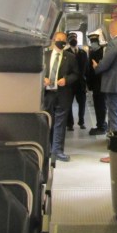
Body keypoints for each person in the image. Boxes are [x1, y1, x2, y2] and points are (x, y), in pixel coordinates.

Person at [43, 31, 79, 161]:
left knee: (60, 123)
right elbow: (39, 71)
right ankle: (46, 149)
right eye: (59, 39)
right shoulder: (44, 56)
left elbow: (76, 74)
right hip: (47, 94)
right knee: (47, 121)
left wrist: (66, 80)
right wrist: (43, 79)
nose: (61, 42)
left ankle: (57, 151)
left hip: (63, 94)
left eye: (64, 40)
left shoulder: (70, 57)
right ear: (54, 40)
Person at [92, 20, 117, 132]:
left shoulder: (114, 43)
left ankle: (116, 144)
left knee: (114, 116)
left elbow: (105, 63)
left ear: (111, 30)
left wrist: (97, 67)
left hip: (114, 86)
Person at [85, 29, 108, 135]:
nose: (93, 43)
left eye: (94, 41)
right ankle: (100, 124)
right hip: (95, 84)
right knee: (98, 105)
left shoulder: (103, 52)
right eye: (92, 41)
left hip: (101, 84)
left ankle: (101, 125)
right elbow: (89, 69)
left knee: (100, 105)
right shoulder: (92, 52)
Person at [65, 32, 89, 131]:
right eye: (71, 38)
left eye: (74, 38)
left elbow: (87, 69)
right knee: (69, 104)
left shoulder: (83, 53)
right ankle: (70, 124)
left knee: (82, 103)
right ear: (69, 41)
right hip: (70, 83)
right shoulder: (65, 53)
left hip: (81, 83)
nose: (73, 40)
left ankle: (81, 122)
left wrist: (87, 83)